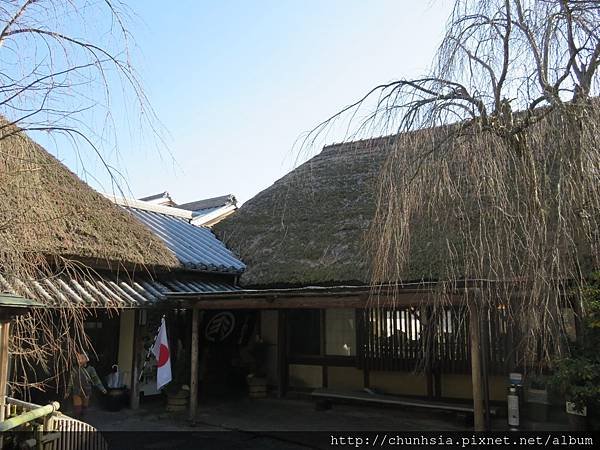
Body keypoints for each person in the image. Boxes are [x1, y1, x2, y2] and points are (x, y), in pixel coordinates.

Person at [65, 352, 107, 419]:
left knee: (84, 408)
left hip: (87, 391)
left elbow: (96, 379)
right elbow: (71, 381)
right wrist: (68, 391)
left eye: (82, 358)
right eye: (78, 359)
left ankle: (82, 420)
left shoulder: (91, 369)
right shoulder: (75, 369)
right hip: (76, 390)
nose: (80, 360)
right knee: (77, 409)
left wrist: (102, 388)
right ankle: (77, 420)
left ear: (87, 359)